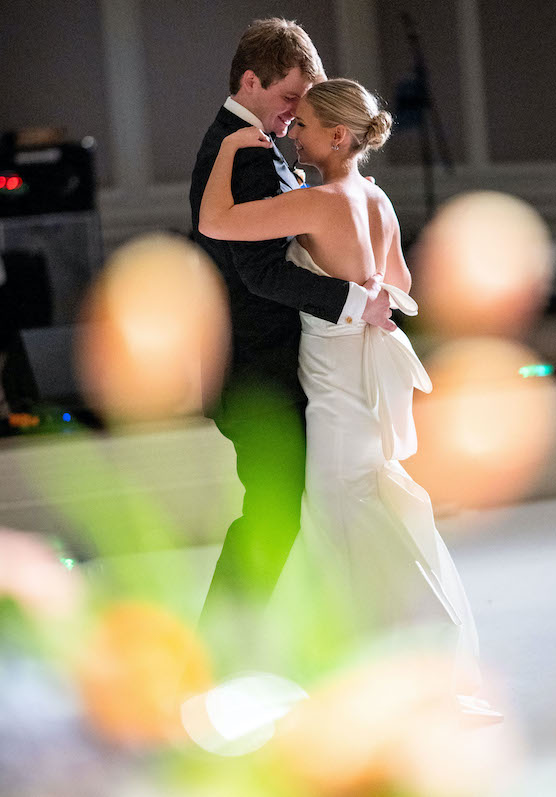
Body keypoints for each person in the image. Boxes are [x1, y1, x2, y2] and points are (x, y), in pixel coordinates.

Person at [198, 78, 501, 720]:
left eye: (304, 125)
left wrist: (229, 151)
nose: (293, 133)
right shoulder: (377, 199)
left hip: (335, 382)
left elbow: (214, 222)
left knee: (339, 516)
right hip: (363, 371)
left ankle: (377, 673)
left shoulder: (320, 201)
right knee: (368, 504)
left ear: (338, 136)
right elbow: (401, 284)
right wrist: (363, 294)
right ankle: (394, 664)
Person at [189, 20, 394, 651]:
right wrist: (352, 300)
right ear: (250, 81)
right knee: (276, 510)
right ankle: (215, 652)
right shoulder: (242, 149)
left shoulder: (250, 141)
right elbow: (257, 274)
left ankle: (268, 646)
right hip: (259, 369)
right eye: (287, 100)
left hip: (289, 363)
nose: (292, 117)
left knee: (296, 510)